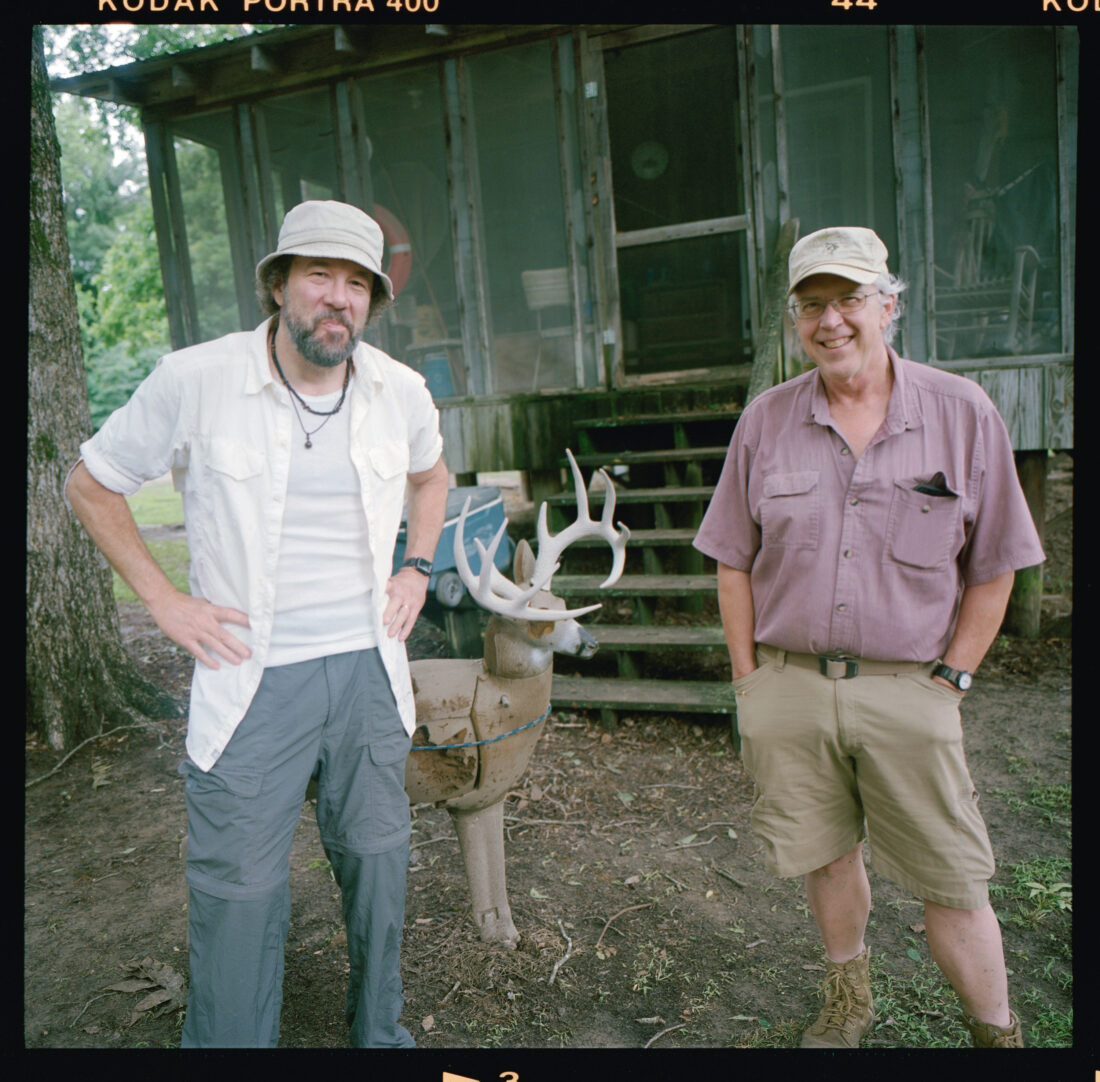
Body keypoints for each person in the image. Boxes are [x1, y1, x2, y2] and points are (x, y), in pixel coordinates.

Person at [65, 200, 450, 1048]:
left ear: (372, 302)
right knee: (237, 889)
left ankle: (379, 1035)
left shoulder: (400, 392)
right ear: (279, 285)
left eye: (357, 283)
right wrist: (164, 600)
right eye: (319, 275)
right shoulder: (196, 379)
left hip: (368, 673)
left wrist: (417, 567)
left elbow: (432, 477)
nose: (337, 298)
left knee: (379, 864)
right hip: (250, 674)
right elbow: (92, 483)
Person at [694, 226, 1044, 1049]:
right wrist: (751, 684)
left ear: (888, 305)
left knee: (954, 879)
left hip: (910, 690)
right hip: (791, 687)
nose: (832, 320)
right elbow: (732, 563)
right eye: (812, 304)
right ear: (794, 320)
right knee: (824, 855)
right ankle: (849, 998)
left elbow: (997, 567)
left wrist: (952, 679)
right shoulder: (766, 421)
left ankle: (997, 1034)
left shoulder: (961, 413)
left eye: (849, 298)